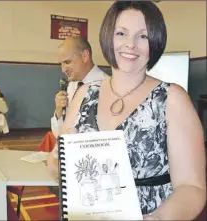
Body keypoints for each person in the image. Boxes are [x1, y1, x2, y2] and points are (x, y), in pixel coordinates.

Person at [47, 1, 206, 220]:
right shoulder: (84, 95)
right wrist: (57, 163)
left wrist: (156, 218)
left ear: (155, 41)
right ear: (108, 37)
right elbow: (59, 161)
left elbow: (192, 187)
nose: (130, 44)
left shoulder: (172, 99)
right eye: (121, 33)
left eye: (143, 36)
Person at [51, 36, 107, 138]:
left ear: (85, 56)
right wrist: (59, 112)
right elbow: (59, 135)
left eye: (67, 62)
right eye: (61, 64)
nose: (63, 69)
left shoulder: (108, 87)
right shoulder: (71, 86)